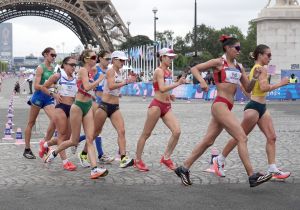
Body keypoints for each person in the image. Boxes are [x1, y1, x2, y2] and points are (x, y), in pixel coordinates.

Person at [175, 35, 272, 188]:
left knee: (208, 141)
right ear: (227, 48)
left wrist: (255, 78)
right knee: (242, 137)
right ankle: (252, 176)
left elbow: (248, 88)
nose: (239, 51)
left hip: (227, 106)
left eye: (240, 48)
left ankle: (183, 168)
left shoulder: (239, 67)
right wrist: (202, 81)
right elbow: (195, 68)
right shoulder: (219, 62)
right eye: (237, 48)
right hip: (220, 104)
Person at [213, 44, 291, 180]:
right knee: (239, 137)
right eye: (268, 55)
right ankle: (219, 159)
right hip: (254, 108)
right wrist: (282, 83)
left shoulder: (257, 69)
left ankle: (272, 169)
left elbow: (248, 89)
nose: (270, 58)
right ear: (260, 55)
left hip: (261, 107)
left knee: (271, 137)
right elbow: (264, 87)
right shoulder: (260, 69)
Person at [134, 48, 205, 172]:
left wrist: (170, 95)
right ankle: (138, 160)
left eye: (172, 57)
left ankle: (166, 157)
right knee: (146, 134)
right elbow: (161, 88)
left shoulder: (169, 71)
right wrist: (178, 83)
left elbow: (165, 89)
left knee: (177, 131)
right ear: (162, 57)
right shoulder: (158, 71)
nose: (171, 59)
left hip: (166, 106)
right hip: (156, 105)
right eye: (169, 57)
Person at [44, 49, 108, 179]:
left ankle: (94, 169)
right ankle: (54, 152)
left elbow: (84, 89)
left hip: (88, 106)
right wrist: (100, 79)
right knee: (73, 140)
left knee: (90, 138)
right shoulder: (83, 71)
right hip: (77, 107)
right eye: (93, 57)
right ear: (86, 59)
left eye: (96, 57)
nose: (96, 59)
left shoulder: (91, 71)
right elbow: (87, 87)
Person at [92, 50, 136, 168]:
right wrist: (126, 82)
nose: (123, 62)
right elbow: (111, 85)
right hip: (104, 105)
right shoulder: (111, 71)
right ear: (114, 60)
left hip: (115, 107)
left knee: (121, 131)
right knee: (95, 132)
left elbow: (113, 88)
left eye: (124, 60)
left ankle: (123, 158)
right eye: (121, 60)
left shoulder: (119, 72)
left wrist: (119, 92)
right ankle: (84, 153)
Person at [40, 56, 78, 171]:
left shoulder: (75, 77)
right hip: (60, 107)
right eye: (71, 65)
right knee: (61, 135)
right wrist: (54, 95)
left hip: (71, 108)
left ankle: (45, 145)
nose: (73, 67)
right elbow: (44, 87)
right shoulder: (58, 76)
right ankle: (65, 162)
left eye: (75, 65)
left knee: (68, 138)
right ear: (64, 65)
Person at [77, 50, 115, 167]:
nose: (109, 61)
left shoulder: (109, 71)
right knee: (95, 130)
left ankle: (76, 141)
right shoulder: (94, 69)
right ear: (100, 59)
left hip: (105, 102)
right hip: (95, 102)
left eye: (110, 59)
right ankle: (99, 155)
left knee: (97, 130)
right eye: (107, 59)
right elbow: (85, 85)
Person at [23, 47, 57, 159]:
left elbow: (53, 84)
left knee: (55, 120)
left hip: (47, 98)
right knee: (31, 123)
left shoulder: (53, 68)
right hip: (38, 97)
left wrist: (54, 87)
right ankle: (27, 149)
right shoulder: (40, 68)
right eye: (52, 55)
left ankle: (45, 143)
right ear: (46, 55)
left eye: (55, 55)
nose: (54, 57)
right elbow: (36, 86)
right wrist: (46, 86)